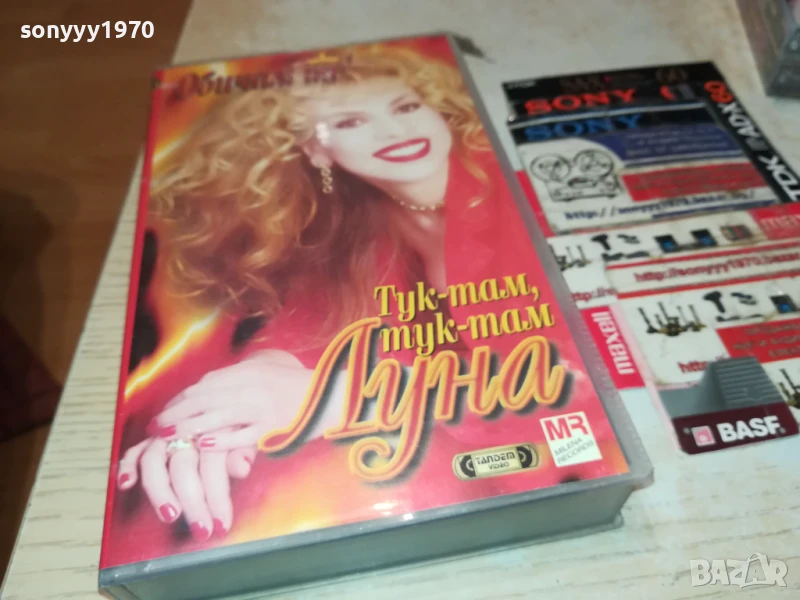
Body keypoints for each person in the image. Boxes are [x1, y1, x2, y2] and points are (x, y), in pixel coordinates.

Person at [116, 42, 545, 543]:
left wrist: (334, 397)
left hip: (541, 479)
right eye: (350, 121)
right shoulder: (360, 230)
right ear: (316, 149)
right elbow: (297, 339)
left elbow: (567, 384)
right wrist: (204, 425)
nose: (394, 131)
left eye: (406, 107)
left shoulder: (514, 197)